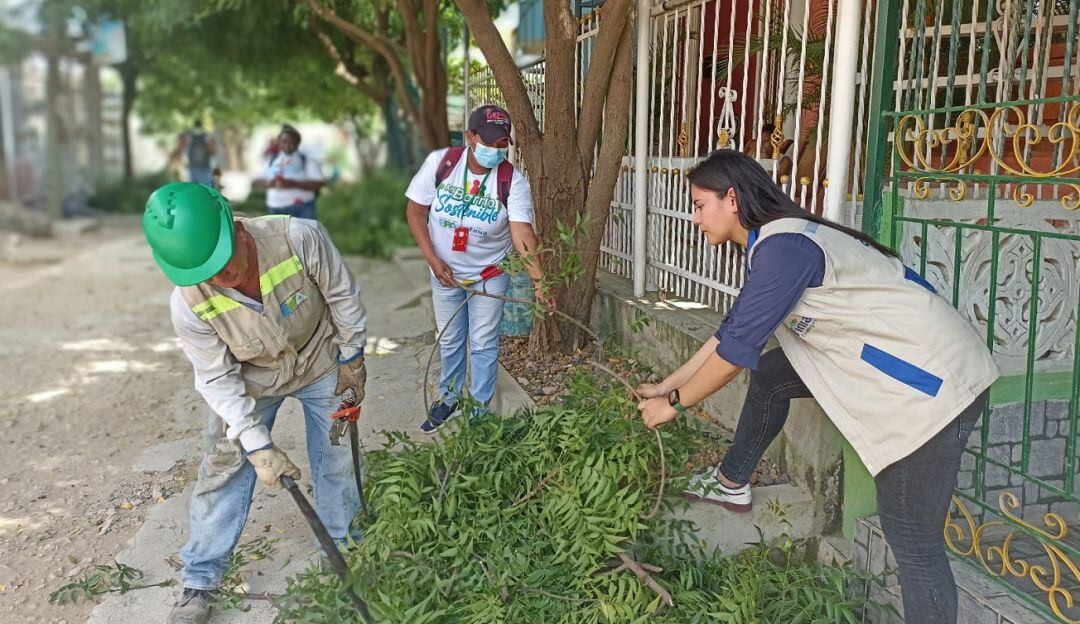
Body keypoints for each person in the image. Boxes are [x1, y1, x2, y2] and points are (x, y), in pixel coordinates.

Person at [634, 149, 999, 624]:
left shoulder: (784, 251)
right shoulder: (772, 243)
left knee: (913, 540)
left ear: (732, 199)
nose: (695, 218)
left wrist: (674, 405)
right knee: (773, 374)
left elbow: (731, 358)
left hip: (933, 386)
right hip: (910, 366)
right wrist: (666, 385)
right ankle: (732, 482)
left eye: (700, 205)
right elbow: (729, 334)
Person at [142, 182, 368, 624]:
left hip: (319, 358)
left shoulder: (299, 237)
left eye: (223, 262)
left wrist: (353, 357)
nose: (219, 278)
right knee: (223, 467)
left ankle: (343, 557)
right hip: (251, 378)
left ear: (238, 228)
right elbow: (214, 376)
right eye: (206, 273)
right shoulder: (187, 303)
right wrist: (255, 442)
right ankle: (199, 581)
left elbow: (343, 296)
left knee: (337, 456)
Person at [405, 104, 553, 433]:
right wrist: (432, 259)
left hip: (489, 276)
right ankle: (449, 399)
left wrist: (540, 283)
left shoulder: (512, 182)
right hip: (444, 274)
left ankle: (479, 412)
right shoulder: (441, 164)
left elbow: (522, 232)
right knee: (449, 340)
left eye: (502, 144)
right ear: (470, 137)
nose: (496, 150)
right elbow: (415, 212)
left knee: (484, 344)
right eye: (489, 142)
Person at [253, 125, 324, 220]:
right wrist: (269, 183)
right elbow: (256, 180)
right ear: (279, 142)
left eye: (292, 143)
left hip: (302, 208)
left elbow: (319, 183)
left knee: (304, 230)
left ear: (298, 143)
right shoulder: (271, 160)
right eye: (284, 142)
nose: (287, 146)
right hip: (275, 208)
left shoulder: (307, 161)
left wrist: (293, 184)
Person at [169, 120, 217, 186]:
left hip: (204, 167)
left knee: (202, 187)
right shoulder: (190, 137)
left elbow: (213, 152)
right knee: (201, 187)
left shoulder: (206, 137)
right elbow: (178, 150)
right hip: (195, 168)